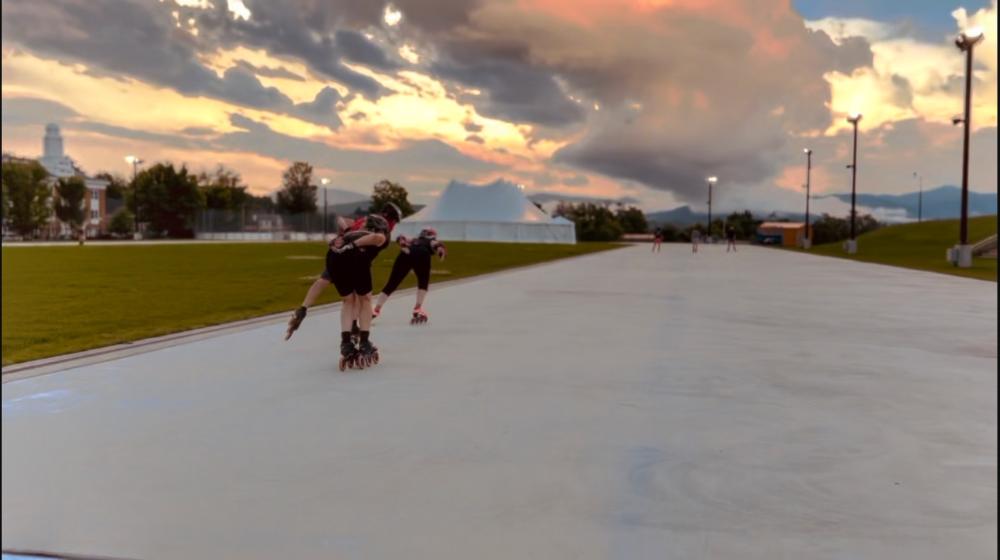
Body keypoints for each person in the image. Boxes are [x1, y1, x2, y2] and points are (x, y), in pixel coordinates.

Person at [284, 203, 401, 345]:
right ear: (390, 218)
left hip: (336, 256)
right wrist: (353, 244)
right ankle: (355, 329)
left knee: (326, 283)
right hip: (358, 259)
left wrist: (346, 231)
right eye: (394, 221)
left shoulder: (363, 220)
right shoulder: (383, 229)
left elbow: (340, 219)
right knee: (363, 298)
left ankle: (303, 309)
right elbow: (377, 239)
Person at [373, 228, 447, 324]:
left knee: (392, 283)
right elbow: (437, 245)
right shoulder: (431, 240)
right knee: (423, 282)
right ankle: (418, 308)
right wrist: (440, 251)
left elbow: (400, 237)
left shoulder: (414, 240)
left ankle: (376, 309)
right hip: (422, 254)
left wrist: (403, 245)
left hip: (406, 252)